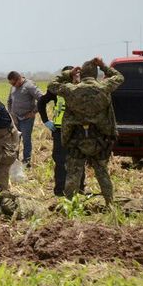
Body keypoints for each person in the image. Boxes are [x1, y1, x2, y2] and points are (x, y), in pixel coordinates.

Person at [47, 58, 124, 204]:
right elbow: (120, 77)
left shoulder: (71, 89)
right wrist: (103, 66)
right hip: (100, 139)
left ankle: (70, 205)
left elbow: (52, 85)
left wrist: (68, 73)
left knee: (73, 174)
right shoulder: (104, 87)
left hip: (77, 139)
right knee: (102, 173)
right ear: (95, 74)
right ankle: (110, 204)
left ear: (81, 74)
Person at [37, 66, 82, 196]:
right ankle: (60, 190)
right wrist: (46, 120)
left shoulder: (81, 88)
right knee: (61, 161)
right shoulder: (57, 89)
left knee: (78, 160)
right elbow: (41, 102)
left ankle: (79, 190)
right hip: (59, 130)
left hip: (77, 130)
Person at [7, 71, 42, 167]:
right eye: (11, 84)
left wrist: (33, 112)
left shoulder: (29, 86)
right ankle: (15, 161)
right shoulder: (13, 87)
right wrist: (11, 114)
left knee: (26, 140)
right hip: (15, 119)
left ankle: (26, 162)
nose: (13, 86)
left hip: (26, 119)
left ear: (19, 79)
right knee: (15, 140)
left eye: (14, 83)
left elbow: (42, 99)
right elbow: (9, 101)